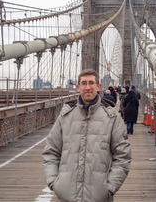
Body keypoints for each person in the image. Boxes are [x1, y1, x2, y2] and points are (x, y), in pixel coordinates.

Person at [42, 69, 132, 202]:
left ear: (98, 86)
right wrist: (54, 182)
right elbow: (51, 151)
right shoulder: (65, 117)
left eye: (91, 83)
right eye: (84, 83)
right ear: (78, 87)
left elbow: (123, 156)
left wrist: (109, 188)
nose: (88, 87)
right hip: (66, 196)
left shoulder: (112, 118)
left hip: (99, 197)